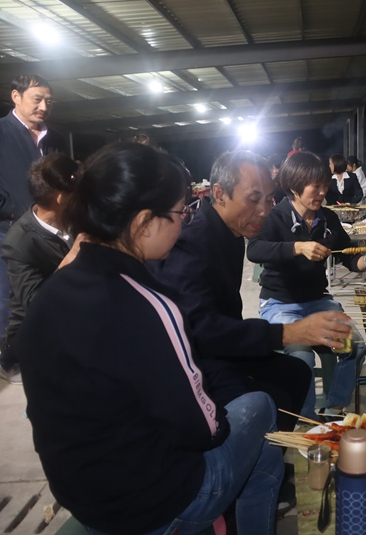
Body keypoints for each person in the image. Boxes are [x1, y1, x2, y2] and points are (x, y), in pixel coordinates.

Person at [14, 142, 285, 535]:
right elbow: (204, 429)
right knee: (260, 407)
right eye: (179, 213)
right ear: (143, 222)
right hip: (153, 505)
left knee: (258, 444)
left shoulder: (51, 292)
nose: (183, 222)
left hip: (81, 494)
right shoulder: (149, 305)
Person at [149, 151, 335, 435]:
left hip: (223, 347)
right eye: (253, 199)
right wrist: (287, 333)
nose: (264, 211)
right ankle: (254, 453)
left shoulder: (232, 234)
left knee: (296, 373)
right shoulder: (193, 245)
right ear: (219, 194)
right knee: (267, 400)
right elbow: (199, 330)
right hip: (195, 360)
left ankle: (268, 451)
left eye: (268, 199)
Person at [247, 152, 366, 420]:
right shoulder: (275, 216)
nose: (323, 192)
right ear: (294, 186)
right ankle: (305, 418)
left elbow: (348, 256)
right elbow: (254, 250)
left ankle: (334, 407)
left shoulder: (328, 219)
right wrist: (297, 247)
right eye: (316, 186)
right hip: (280, 303)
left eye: (325, 185)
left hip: (318, 300)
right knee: (302, 357)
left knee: (356, 346)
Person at [0, 74, 65, 381]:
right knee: (10, 298)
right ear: (16, 96)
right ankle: (11, 360)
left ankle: (40, 354)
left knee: (44, 294)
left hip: (49, 229)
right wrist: (15, 211)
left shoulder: (54, 139)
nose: (43, 107)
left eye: (48, 101)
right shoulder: (2, 133)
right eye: (37, 99)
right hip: (8, 229)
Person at [0, 154, 80, 384]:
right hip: (35, 333)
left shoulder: (78, 218)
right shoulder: (19, 242)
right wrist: (73, 256)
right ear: (61, 197)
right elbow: (36, 304)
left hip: (76, 315)